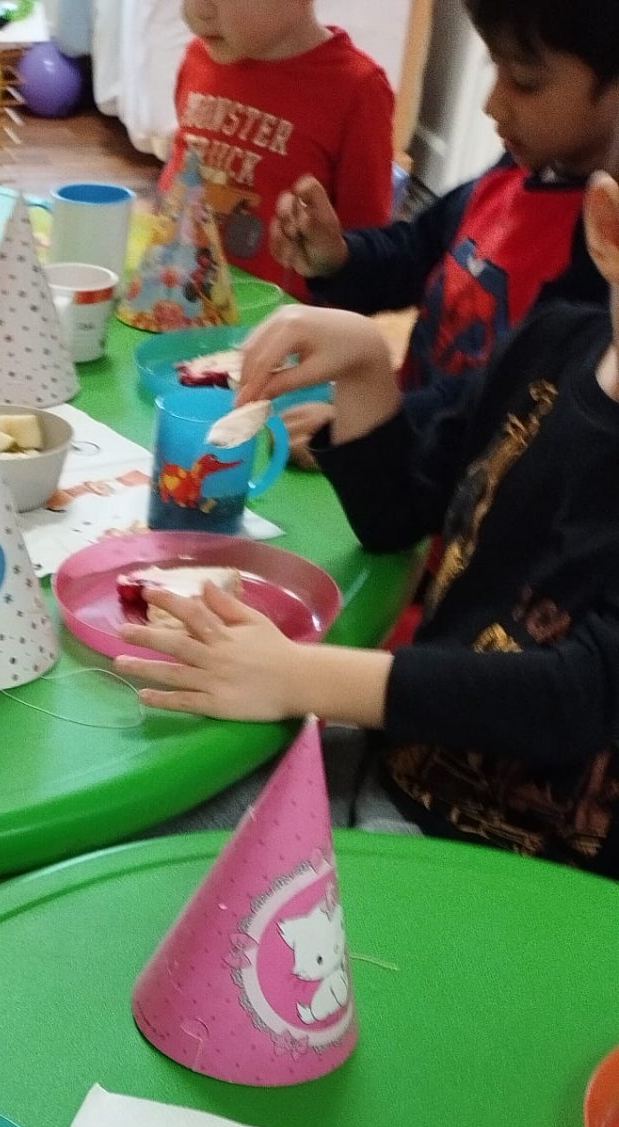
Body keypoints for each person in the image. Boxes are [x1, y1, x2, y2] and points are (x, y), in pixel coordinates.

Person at [112, 156, 619, 877]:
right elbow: (395, 514)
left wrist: (297, 676)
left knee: (169, 875)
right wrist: (361, 364)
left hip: (518, 868)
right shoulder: (551, 347)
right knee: (138, 826)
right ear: (609, 229)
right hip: (396, 762)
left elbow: (576, 697)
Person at [271, 0, 619, 426]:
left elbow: (503, 400)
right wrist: (340, 258)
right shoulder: (514, 172)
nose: (492, 105)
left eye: (525, 82)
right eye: (495, 67)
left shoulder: (601, 255)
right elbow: (416, 251)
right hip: (401, 436)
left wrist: (374, 421)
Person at [160, 0, 394, 289]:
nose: (198, 11)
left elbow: (365, 254)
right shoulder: (196, 58)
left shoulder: (357, 89)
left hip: (278, 312)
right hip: (181, 294)